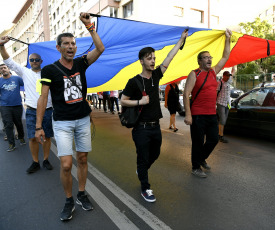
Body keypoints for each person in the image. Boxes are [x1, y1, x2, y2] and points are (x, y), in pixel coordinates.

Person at [35, 12, 105, 221]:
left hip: (82, 119)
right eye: (66, 44)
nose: (70, 47)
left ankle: (81, 194)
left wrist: (89, 26)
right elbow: (43, 97)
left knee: (82, 159)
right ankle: (68, 200)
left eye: (73, 43)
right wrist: (39, 126)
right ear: (58, 47)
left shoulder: (81, 63)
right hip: (62, 123)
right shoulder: (49, 69)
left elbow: (100, 48)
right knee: (66, 164)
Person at [120, 29, 188, 203]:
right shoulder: (133, 81)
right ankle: (145, 187)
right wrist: (139, 102)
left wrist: (181, 40)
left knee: (156, 153)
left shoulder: (156, 76)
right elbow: (123, 101)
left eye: (154, 58)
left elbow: (170, 58)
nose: (153, 61)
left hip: (155, 126)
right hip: (140, 128)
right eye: (149, 58)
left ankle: (141, 170)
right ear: (141, 61)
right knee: (142, 157)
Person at [0, 37, 54, 173]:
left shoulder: (48, 73)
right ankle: (35, 162)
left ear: (41, 61)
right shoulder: (25, 72)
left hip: (47, 110)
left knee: (47, 136)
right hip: (31, 111)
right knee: (32, 138)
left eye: (37, 60)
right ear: (29, 62)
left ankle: (46, 159)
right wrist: (1, 46)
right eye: (32, 60)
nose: (34, 62)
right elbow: (8, 61)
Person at [183, 28, 232, 178]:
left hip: (211, 114)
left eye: (210, 57)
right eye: (206, 57)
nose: (209, 59)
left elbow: (225, 56)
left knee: (214, 139)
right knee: (197, 142)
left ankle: (201, 158)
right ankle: (195, 167)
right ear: (199, 61)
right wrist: (188, 114)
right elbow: (186, 94)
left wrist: (228, 39)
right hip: (197, 115)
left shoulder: (213, 72)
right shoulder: (194, 73)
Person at [0, 63, 25, 152]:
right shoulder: (0, 81)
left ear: (8, 69)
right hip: (5, 106)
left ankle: (21, 137)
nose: (3, 69)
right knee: (8, 125)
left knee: (18, 123)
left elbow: (27, 85)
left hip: (17, 105)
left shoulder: (17, 79)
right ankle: (11, 144)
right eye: (1, 68)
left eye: (4, 68)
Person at [217, 69, 234, 143]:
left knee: (223, 120)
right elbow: (216, 93)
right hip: (220, 103)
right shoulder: (219, 83)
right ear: (223, 76)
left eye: (229, 76)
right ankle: (220, 135)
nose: (228, 77)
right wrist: (214, 103)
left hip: (227, 104)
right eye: (227, 76)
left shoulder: (228, 82)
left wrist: (234, 67)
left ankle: (218, 134)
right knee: (222, 120)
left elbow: (233, 72)